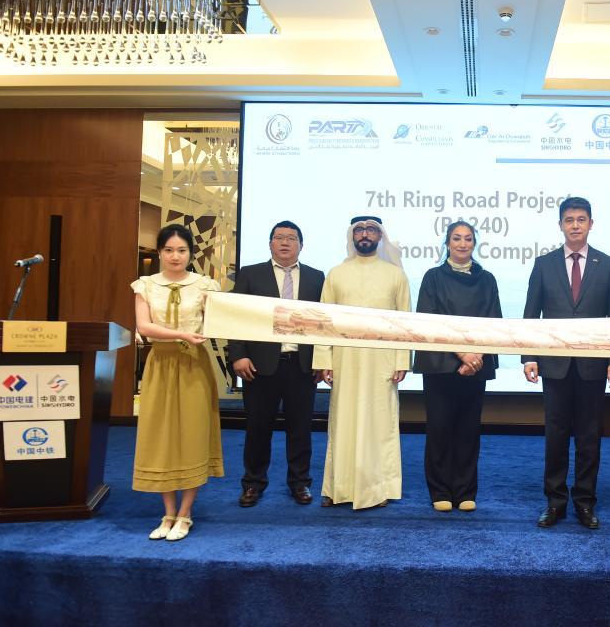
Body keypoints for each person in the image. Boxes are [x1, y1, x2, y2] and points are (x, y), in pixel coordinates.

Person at [522, 197, 610, 530]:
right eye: (569, 220)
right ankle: (555, 503)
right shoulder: (544, 264)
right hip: (554, 365)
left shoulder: (607, 265)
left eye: (581, 219)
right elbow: (531, 314)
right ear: (561, 225)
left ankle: (585, 503)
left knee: (589, 437)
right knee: (555, 436)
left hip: (593, 365)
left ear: (591, 224)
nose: (575, 225)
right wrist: (529, 356)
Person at [130, 224, 223, 542]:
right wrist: (182, 334)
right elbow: (144, 326)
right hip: (160, 364)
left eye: (182, 250)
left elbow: (220, 320)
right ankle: (168, 512)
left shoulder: (205, 285)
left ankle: (185, 513)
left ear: (190, 253)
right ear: (159, 252)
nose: (175, 256)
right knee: (161, 436)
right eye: (168, 250)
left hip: (194, 364)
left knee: (192, 435)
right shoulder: (145, 285)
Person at [314, 216, 411, 510]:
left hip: (382, 362)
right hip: (344, 360)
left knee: (378, 424)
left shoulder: (396, 275)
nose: (365, 234)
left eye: (370, 230)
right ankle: (338, 488)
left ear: (380, 236)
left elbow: (405, 322)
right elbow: (323, 321)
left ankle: (377, 489)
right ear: (352, 236)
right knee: (342, 422)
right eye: (359, 230)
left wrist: (402, 359)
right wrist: (324, 360)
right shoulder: (336, 274)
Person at [229, 221, 325, 508]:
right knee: (258, 428)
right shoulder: (250, 274)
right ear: (270, 243)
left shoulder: (316, 277)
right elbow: (236, 316)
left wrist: (323, 360)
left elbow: (324, 323)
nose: (285, 242)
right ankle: (253, 483)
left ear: (301, 245)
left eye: (291, 238)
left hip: (302, 365)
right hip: (259, 366)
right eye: (279, 237)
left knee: (301, 429)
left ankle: (300, 483)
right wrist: (238, 355)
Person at [413, 221, 503, 512]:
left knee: (468, 430)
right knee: (439, 428)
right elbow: (429, 320)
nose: (462, 244)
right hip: (440, 365)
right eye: (456, 238)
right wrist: (462, 354)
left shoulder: (487, 279)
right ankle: (440, 490)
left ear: (474, 243)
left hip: (476, 365)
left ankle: (465, 491)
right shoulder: (433, 277)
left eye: (467, 239)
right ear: (447, 243)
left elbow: (493, 321)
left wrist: (475, 357)